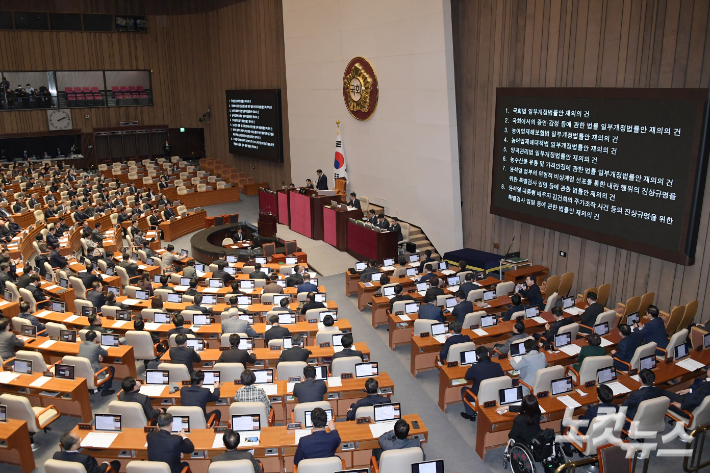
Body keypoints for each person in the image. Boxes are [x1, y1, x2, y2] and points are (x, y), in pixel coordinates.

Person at [461, 346, 504, 420]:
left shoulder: (475, 368)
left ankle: (470, 414)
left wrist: (470, 368)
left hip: (479, 396)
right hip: (495, 395)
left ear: (477, 356)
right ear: (488, 353)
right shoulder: (497, 365)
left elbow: (467, 377)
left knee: (464, 389)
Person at [54, 432, 121, 473]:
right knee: (116, 463)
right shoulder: (85, 458)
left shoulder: (56, 456)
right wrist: (105, 463)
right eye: (79, 440)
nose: (80, 441)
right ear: (74, 446)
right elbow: (98, 472)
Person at [79, 330, 115, 396]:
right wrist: (99, 354)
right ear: (95, 338)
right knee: (111, 369)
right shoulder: (96, 346)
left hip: (82, 371)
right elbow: (106, 353)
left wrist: (98, 354)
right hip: (93, 372)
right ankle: (105, 390)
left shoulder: (81, 344)